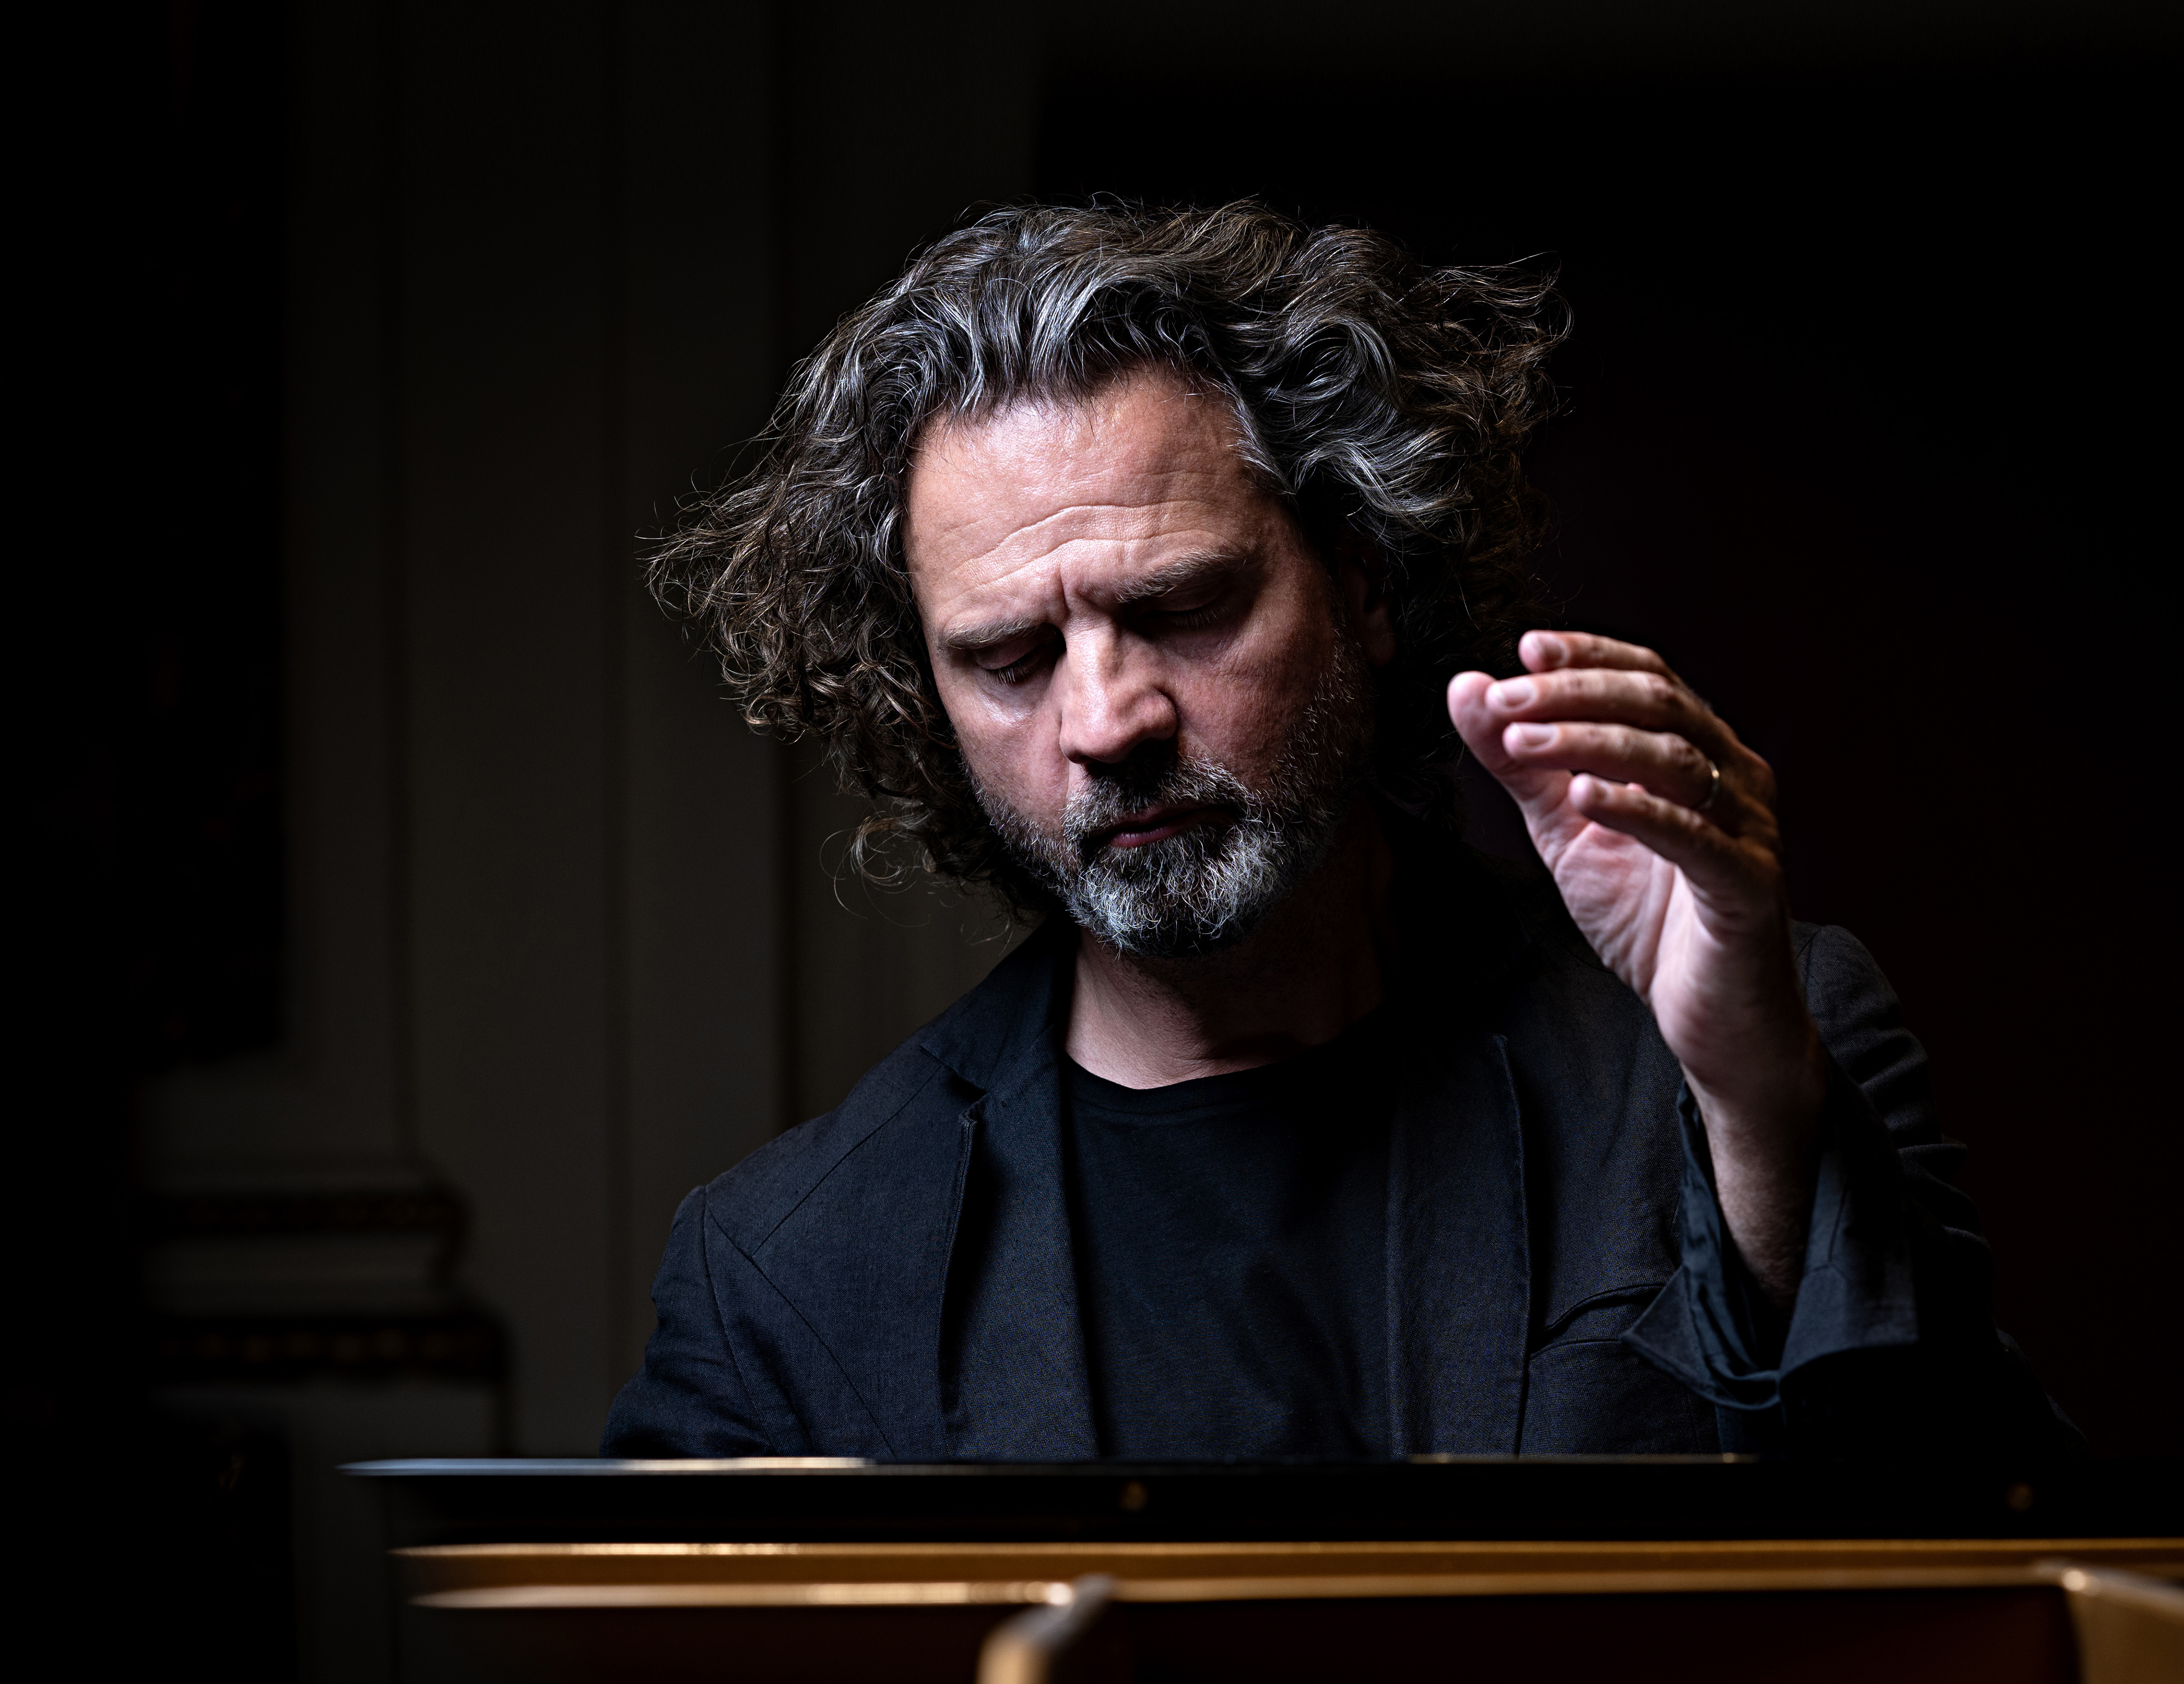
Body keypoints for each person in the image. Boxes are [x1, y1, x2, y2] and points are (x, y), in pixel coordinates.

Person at [603, 201, 2070, 1462]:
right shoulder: (787, 1272)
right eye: (1010, 657)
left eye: (1181, 607)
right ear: (923, 694)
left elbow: (1982, 1589)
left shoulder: (1764, 1039)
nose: (1106, 719)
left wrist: (1750, 1103)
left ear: (1362, 583)